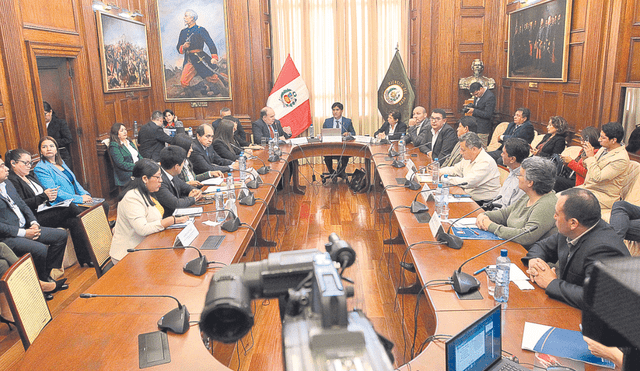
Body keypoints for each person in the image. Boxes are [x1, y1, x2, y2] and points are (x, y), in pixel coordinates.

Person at [523, 188, 630, 309]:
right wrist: (534, 262)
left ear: (573, 223)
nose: (554, 217)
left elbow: (596, 298)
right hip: (568, 306)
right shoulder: (571, 230)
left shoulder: (604, 249)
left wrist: (551, 283)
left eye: (557, 214)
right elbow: (541, 247)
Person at [6, 149, 92, 266]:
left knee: (74, 221)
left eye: (30, 163)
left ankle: (85, 258)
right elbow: (23, 204)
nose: (29, 166)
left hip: (46, 209)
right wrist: (44, 196)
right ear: (13, 163)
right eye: (25, 163)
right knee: (70, 207)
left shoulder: (30, 176)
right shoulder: (12, 180)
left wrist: (50, 196)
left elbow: (44, 195)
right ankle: (92, 222)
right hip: (35, 217)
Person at [0, 157, 67, 285]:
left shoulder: (7, 184)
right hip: (8, 237)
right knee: (40, 249)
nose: (7, 168)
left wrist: (33, 223)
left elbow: (22, 205)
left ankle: (45, 276)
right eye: (2, 166)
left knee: (61, 235)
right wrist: (23, 233)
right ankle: (41, 284)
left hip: (26, 227)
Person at [110, 159, 189, 264]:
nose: (161, 180)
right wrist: (170, 221)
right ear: (145, 178)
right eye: (158, 177)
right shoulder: (132, 198)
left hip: (147, 245)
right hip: (128, 254)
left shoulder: (147, 192)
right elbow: (142, 229)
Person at [476, 157, 558, 250]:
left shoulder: (546, 205)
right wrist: (484, 215)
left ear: (530, 183)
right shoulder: (528, 195)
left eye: (520, 175)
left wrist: (490, 226)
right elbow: (505, 213)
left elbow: (526, 236)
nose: (518, 177)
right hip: (510, 246)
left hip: (524, 255)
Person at [33, 136, 109, 217]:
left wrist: (85, 195)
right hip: (62, 203)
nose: (48, 149)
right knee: (90, 213)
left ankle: (102, 229)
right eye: (44, 147)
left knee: (104, 205)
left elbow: (74, 181)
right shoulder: (41, 168)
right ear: (41, 151)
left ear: (56, 149)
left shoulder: (60, 162)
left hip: (73, 199)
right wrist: (79, 199)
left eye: (51, 146)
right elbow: (55, 192)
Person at [578, 122, 629, 210]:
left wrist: (590, 157)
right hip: (588, 188)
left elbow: (597, 177)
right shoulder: (603, 148)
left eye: (603, 137)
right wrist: (585, 156)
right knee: (559, 198)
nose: (599, 139)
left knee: (567, 204)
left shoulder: (621, 158)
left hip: (603, 195)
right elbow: (588, 167)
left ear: (614, 140)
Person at [439, 132, 501, 205]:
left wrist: (443, 178)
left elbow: (467, 183)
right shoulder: (468, 158)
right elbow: (455, 169)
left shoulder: (485, 162)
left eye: (463, 150)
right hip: (468, 197)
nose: (460, 152)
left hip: (483, 203)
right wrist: (438, 171)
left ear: (474, 149)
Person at [176, 9, 226, 96]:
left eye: (186, 16)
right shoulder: (183, 32)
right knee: (183, 82)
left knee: (213, 78)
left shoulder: (201, 30)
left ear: (192, 18)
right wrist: (183, 47)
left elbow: (210, 43)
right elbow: (178, 47)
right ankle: (192, 98)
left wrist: (214, 57)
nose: (184, 18)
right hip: (190, 60)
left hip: (200, 59)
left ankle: (225, 92)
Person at [152, 146, 202, 218]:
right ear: (176, 166)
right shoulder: (159, 181)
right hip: (168, 219)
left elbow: (185, 186)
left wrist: (195, 191)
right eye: (182, 163)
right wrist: (193, 198)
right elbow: (176, 204)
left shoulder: (172, 173)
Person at [555, 126, 600, 192]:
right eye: (581, 139)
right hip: (572, 176)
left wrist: (571, 162)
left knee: (555, 180)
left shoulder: (595, 153)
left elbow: (588, 174)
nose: (581, 143)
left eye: (583, 140)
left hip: (581, 183)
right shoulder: (583, 150)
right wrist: (567, 163)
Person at [493, 138, 530, 209]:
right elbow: (499, 199)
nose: (501, 155)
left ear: (512, 159)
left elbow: (511, 211)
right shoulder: (513, 171)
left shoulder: (522, 181)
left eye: (503, 153)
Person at [321, 102, 356, 175]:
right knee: (327, 155)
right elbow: (323, 134)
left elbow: (353, 133)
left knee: (345, 155)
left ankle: (341, 171)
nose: (335, 112)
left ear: (342, 111)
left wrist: (348, 133)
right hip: (330, 147)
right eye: (333, 110)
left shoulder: (347, 121)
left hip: (343, 148)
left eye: (337, 110)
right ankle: (331, 172)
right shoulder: (327, 121)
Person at [43, 101, 74, 171]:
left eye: (45, 114)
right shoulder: (38, 125)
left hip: (61, 155)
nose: (43, 117)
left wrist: (52, 142)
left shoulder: (60, 123)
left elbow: (68, 139)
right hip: (46, 157)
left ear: (50, 112)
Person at [108, 122, 140, 187]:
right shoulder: (114, 146)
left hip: (137, 167)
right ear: (116, 133)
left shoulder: (129, 141)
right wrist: (136, 167)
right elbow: (121, 164)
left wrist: (144, 163)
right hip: (126, 172)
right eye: (122, 131)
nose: (125, 132)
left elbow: (138, 155)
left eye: (125, 130)